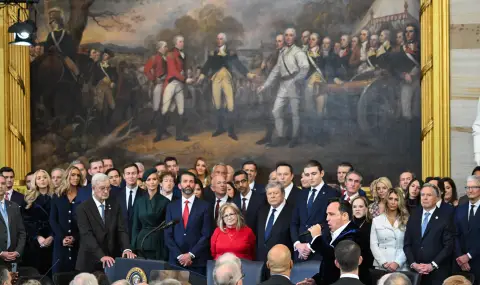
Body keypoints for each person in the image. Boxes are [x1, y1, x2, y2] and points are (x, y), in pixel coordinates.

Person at [197, 32, 256, 140]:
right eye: (218, 39)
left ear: (225, 40)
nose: (219, 41)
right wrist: (202, 75)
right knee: (217, 104)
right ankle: (220, 128)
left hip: (227, 79)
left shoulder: (231, 53)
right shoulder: (212, 53)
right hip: (216, 79)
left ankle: (231, 131)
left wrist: (248, 74)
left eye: (221, 39)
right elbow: (207, 65)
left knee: (230, 104)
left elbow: (238, 65)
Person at [257, 27, 309, 148]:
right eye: (286, 35)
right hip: (283, 84)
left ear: (294, 37)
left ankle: (295, 138)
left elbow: (305, 68)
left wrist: (296, 80)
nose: (288, 37)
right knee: (276, 111)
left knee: (295, 113)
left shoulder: (298, 52)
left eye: (291, 35)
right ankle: (281, 137)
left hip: (294, 84)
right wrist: (264, 86)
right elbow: (275, 72)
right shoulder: (283, 52)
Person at [75, 173, 136, 272]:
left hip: (111, 261)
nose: (106, 191)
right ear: (93, 188)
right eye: (102, 188)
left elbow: (121, 229)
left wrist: (126, 249)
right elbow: (87, 235)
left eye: (108, 188)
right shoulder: (83, 208)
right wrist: (101, 256)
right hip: (90, 261)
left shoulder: (115, 205)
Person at [404, 183, 455, 285]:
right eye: (422, 195)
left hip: (437, 273)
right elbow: (407, 243)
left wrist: (432, 265)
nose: (425, 198)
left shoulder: (445, 217)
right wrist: (413, 264)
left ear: (437, 198)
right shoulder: (414, 215)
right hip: (416, 273)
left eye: (429, 195)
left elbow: (449, 246)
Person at [301, 199, 359, 285]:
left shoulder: (354, 233)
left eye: (331, 214)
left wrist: (317, 237)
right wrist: (316, 280)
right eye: (327, 214)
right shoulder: (329, 234)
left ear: (344, 216)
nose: (327, 219)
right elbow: (328, 265)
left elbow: (336, 257)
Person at [164, 172, 212, 275]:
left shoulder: (205, 206)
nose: (188, 184)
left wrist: (191, 254)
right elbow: (168, 235)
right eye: (185, 181)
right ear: (179, 185)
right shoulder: (171, 206)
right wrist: (179, 256)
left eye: (191, 181)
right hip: (176, 261)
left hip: (197, 262)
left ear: (195, 185)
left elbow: (206, 235)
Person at [291, 160, 339, 262]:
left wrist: (310, 246)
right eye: (307, 175)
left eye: (314, 174)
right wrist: (297, 244)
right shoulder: (301, 194)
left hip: (319, 250)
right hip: (300, 252)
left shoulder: (332, 193)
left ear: (322, 173)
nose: (310, 178)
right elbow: (294, 222)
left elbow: (331, 223)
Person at [131, 169, 169, 260]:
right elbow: (135, 226)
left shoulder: (165, 202)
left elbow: (167, 226)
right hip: (141, 242)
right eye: (149, 179)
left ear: (159, 181)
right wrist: (132, 247)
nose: (152, 182)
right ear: (144, 183)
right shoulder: (139, 202)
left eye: (154, 179)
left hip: (158, 242)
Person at [50, 166, 82, 273]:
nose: (76, 177)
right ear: (67, 176)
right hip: (60, 244)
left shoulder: (84, 195)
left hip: (79, 244)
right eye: (73, 175)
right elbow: (53, 220)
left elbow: (86, 221)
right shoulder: (57, 195)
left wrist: (75, 237)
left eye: (78, 175)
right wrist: (62, 237)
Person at [22, 169, 54, 274]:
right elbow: (26, 221)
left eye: (45, 177)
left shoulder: (56, 197)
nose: (42, 180)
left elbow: (59, 220)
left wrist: (51, 236)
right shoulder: (28, 199)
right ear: (35, 181)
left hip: (53, 239)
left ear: (48, 180)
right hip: (34, 241)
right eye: (39, 178)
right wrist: (38, 237)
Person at [370, 188, 409, 271]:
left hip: (401, 265)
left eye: (396, 199)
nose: (393, 202)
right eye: (390, 199)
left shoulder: (406, 220)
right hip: (381, 265)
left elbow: (408, 244)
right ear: (386, 200)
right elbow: (373, 245)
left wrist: (397, 262)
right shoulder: (377, 220)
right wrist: (384, 263)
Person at [256, 182, 293, 261]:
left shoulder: (292, 211)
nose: (272, 196)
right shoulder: (262, 211)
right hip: (261, 260)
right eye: (269, 194)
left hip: (282, 260)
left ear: (283, 194)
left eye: (276, 193)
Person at [454, 175, 480, 283]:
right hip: (461, 265)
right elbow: (455, 234)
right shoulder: (460, 209)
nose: (470, 190)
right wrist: (461, 256)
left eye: (473, 187)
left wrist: (469, 256)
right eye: (467, 187)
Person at [115, 164, 146, 240]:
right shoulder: (116, 196)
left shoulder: (146, 195)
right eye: (128, 173)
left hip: (140, 240)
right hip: (121, 241)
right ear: (123, 176)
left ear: (138, 175)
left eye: (133, 173)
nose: (131, 176)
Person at [0, 175, 25, 267]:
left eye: (3, 183)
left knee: (13, 281)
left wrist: (18, 252)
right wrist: (0, 253)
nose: (0, 186)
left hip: (13, 259)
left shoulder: (14, 206)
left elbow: (22, 232)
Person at [350, 196, 373, 284]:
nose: (357, 209)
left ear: (366, 209)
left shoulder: (372, 224)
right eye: (354, 207)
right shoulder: (348, 224)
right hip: (350, 264)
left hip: (367, 265)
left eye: (360, 206)